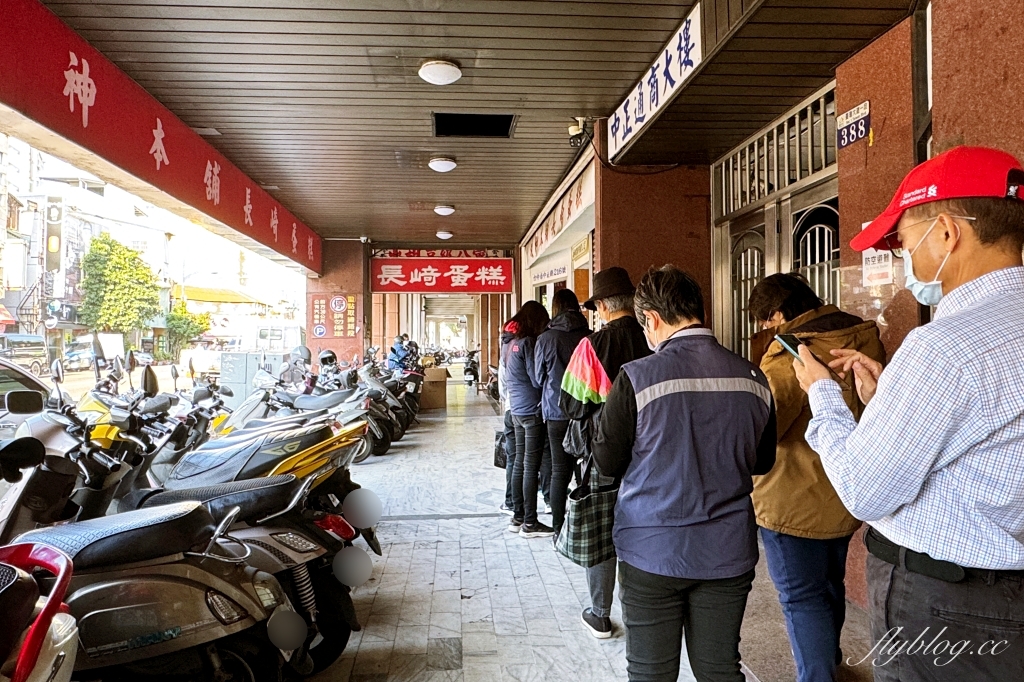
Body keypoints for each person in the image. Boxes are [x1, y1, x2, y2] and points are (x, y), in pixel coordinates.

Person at [792, 146, 1024, 681]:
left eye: (903, 241)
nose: (903, 259)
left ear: (946, 232)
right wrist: (887, 399)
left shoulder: (942, 347)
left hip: (946, 605)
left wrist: (824, 394)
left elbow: (864, 489)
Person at [593, 265, 776, 682]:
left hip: (651, 550)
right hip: (727, 554)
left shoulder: (637, 377)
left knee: (651, 672)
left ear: (652, 319)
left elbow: (606, 462)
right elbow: (763, 462)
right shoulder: (753, 377)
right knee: (719, 670)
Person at [747, 273, 885, 682]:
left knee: (800, 598)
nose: (763, 331)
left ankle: (817, 673)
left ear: (776, 315)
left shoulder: (790, 352)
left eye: (763, 322)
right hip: (845, 490)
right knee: (830, 585)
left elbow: (768, 429)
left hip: (792, 500)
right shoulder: (863, 336)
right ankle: (830, 657)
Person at [559, 266, 651, 638]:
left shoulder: (592, 346)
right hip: (651, 451)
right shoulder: (655, 338)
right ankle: (641, 611)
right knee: (644, 529)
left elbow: (572, 404)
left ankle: (599, 613)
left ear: (600, 305)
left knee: (603, 533)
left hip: (604, 455)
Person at [530, 288, 590, 536]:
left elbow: (537, 379)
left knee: (559, 471)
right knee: (587, 469)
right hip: (587, 411)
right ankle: (586, 524)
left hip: (555, 412)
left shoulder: (546, 338)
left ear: (554, 308)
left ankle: (558, 529)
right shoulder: (589, 335)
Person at [504, 300, 554, 538]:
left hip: (516, 411)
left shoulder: (511, 343)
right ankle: (531, 523)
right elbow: (536, 379)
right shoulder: (529, 344)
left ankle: (518, 517)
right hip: (532, 411)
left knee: (520, 464)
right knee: (530, 466)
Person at [497, 319, 518, 516]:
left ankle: (510, 502)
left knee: (514, 458)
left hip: (511, 409)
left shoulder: (505, 352)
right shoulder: (529, 346)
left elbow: (502, 390)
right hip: (530, 410)